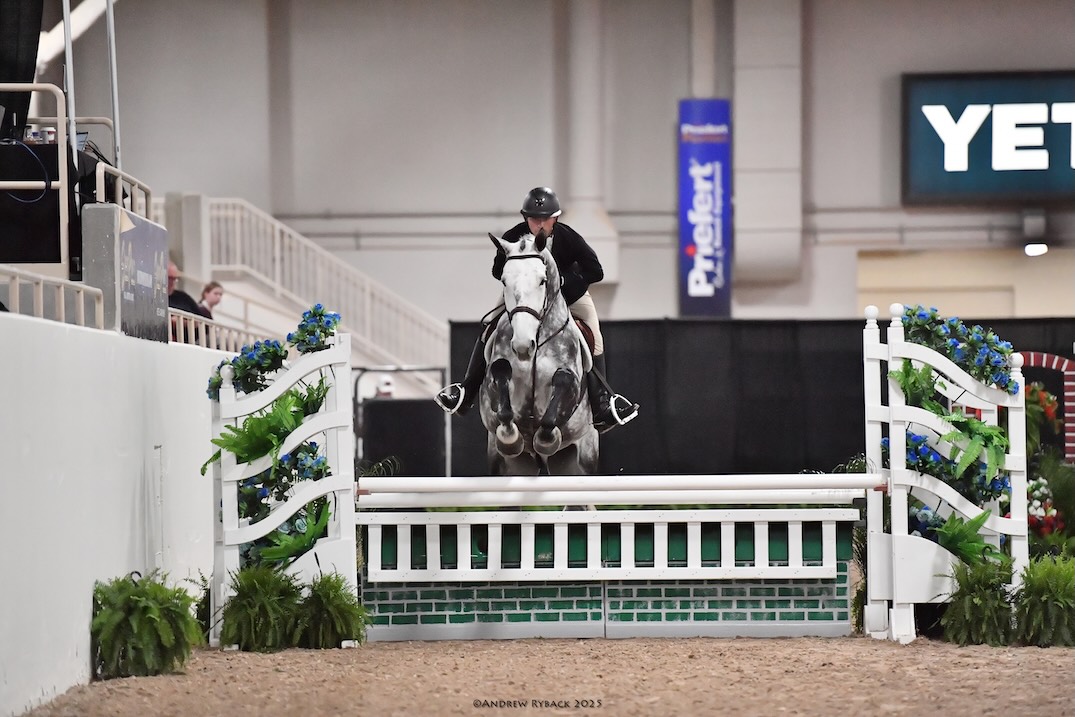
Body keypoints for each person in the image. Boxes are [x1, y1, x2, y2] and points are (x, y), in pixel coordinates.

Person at [435, 187, 639, 433]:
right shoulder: (513, 236)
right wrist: (519, 278)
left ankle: (603, 405)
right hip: (524, 295)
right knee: (489, 327)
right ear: (526, 218)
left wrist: (563, 281)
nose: (540, 224)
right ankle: (466, 391)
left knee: (595, 336)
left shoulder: (569, 238)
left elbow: (596, 271)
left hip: (569, 296)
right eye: (535, 219)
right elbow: (497, 270)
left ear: (556, 218)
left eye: (546, 219)